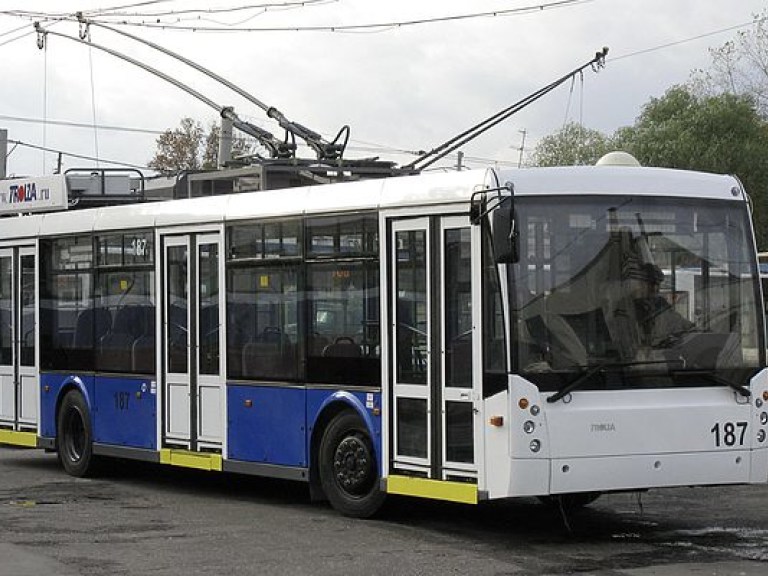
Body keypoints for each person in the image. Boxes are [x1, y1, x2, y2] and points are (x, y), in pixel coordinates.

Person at [634, 263, 694, 347]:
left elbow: (680, 323)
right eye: (651, 283)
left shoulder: (660, 304)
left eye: (657, 284)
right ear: (639, 283)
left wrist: (696, 330)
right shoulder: (628, 305)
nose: (655, 288)